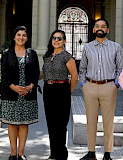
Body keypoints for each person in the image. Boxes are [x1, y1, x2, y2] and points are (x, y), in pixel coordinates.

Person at [79, 18, 123, 160]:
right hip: (90, 87)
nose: (100, 28)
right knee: (90, 120)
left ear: (107, 30)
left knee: (108, 121)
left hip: (108, 87)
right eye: (97, 26)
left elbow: (120, 68)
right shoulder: (87, 47)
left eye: (103, 26)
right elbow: (82, 69)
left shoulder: (116, 47)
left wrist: (116, 84)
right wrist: (83, 85)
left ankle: (107, 153)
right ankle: (91, 152)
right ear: (93, 29)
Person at [0, 26, 40, 160]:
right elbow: (3, 74)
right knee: (12, 123)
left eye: (24, 35)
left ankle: (21, 153)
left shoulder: (32, 53)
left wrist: (30, 86)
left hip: (27, 93)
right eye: (18, 35)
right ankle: (12, 153)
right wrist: (14, 87)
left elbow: (36, 72)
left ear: (27, 38)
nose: (21, 37)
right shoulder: (6, 53)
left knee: (24, 123)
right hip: (11, 93)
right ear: (14, 36)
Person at [42, 29, 78, 160]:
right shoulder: (46, 56)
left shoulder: (67, 56)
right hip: (48, 90)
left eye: (59, 38)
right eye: (54, 38)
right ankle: (53, 153)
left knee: (61, 124)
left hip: (62, 89)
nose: (56, 40)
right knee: (51, 123)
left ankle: (61, 154)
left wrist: (69, 91)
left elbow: (74, 76)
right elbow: (45, 74)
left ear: (64, 41)